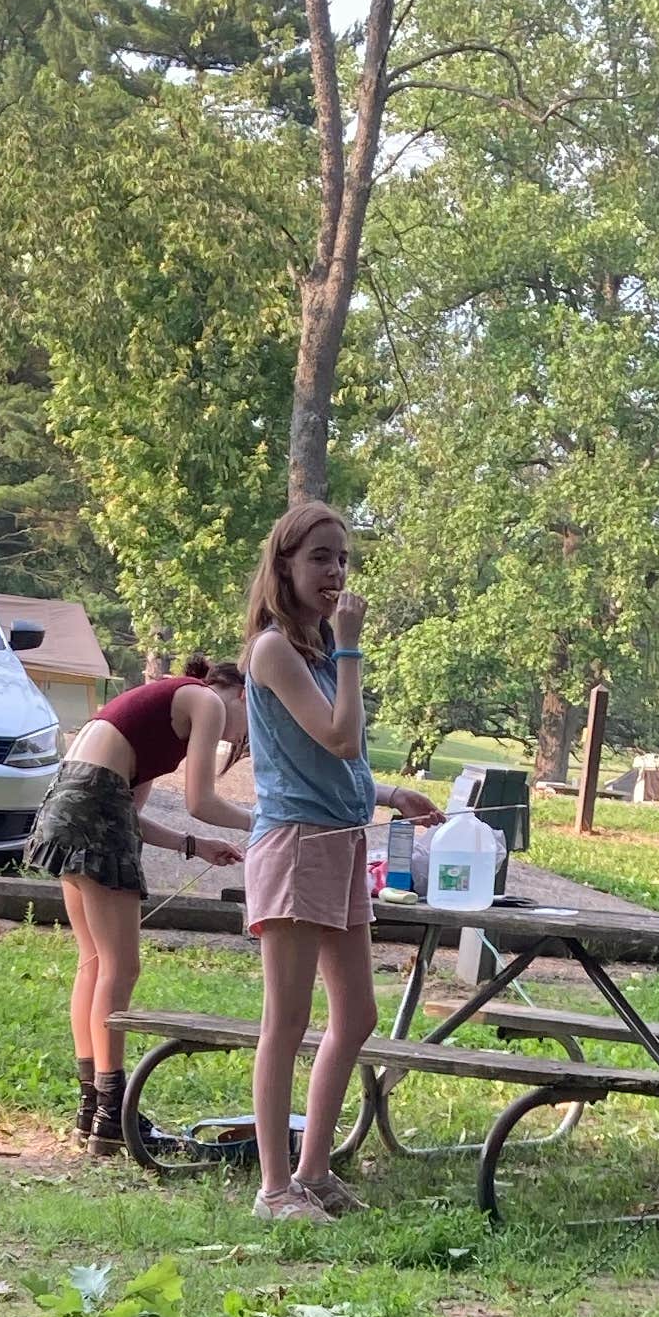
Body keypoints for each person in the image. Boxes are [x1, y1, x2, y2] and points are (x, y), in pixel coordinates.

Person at [241, 506, 429, 1219]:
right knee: (285, 1021)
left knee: (356, 1012)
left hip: (340, 842)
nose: (336, 573)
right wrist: (350, 647)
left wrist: (390, 794)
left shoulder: (317, 652)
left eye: (343, 559)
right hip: (294, 847)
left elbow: (328, 761)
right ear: (284, 564)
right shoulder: (274, 651)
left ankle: (314, 1172)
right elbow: (342, 737)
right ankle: (272, 1188)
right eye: (321, 558)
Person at [24, 656, 252, 1151]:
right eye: (246, 729)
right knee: (121, 970)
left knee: (95, 963)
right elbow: (200, 800)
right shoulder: (207, 699)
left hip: (66, 804)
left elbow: (130, 812)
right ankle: (113, 1112)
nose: (236, 741)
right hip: (92, 809)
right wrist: (266, 822)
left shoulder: (162, 710)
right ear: (239, 694)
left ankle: (94, 1106)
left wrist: (194, 846)